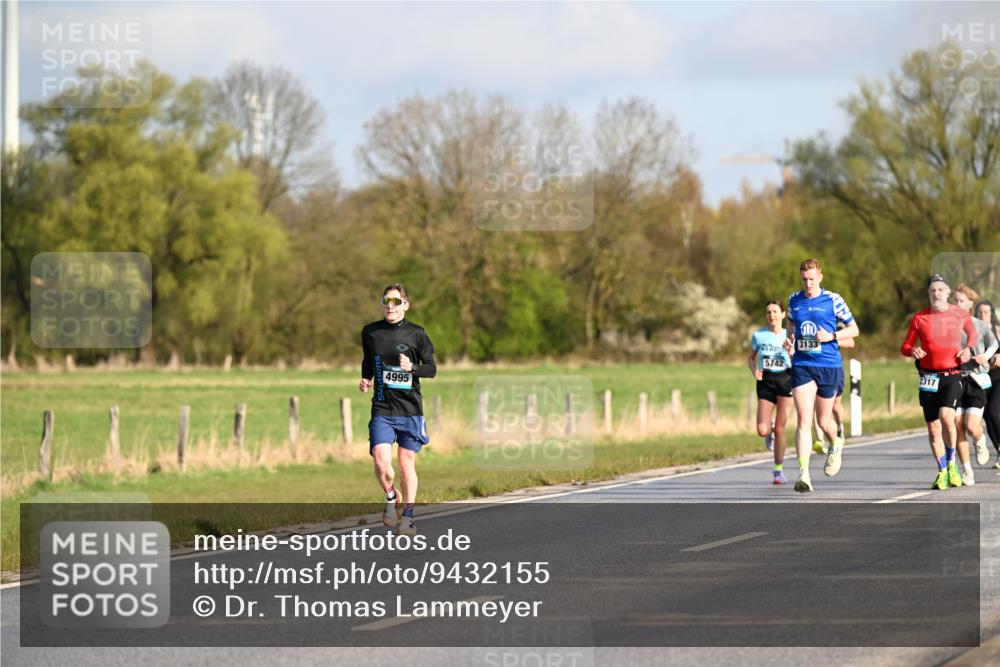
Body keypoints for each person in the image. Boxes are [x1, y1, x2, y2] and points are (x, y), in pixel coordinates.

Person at [359, 284, 437, 536]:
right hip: (382, 407)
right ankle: (392, 497)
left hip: (410, 410)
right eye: (386, 301)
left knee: (405, 463)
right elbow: (368, 360)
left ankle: (409, 518)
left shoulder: (417, 334)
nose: (390, 306)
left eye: (395, 301)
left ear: (405, 304)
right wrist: (366, 378)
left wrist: (412, 367)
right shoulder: (371, 332)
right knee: (382, 465)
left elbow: (432, 369)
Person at [784, 259, 860, 492]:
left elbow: (854, 329)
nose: (808, 283)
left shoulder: (833, 300)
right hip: (802, 365)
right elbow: (791, 331)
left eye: (812, 279)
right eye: (804, 279)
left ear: (820, 277)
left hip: (828, 365)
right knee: (804, 421)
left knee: (823, 422)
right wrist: (790, 344)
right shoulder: (793, 300)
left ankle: (835, 443)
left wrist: (832, 336)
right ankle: (804, 475)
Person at [899, 275, 976, 490]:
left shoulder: (959, 314)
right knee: (933, 428)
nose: (937, 293)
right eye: (933, 290)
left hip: (951, 374)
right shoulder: (920, 318)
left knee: (946, 417)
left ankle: (952, 464)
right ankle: (942, 470)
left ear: (948, 292)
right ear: (928, 293)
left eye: (941, 290)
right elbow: (904, 346)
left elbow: (973, 335)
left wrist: (968, 349)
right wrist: (912, 350)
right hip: (927, 377)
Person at [953, 285, 998, 480]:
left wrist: (985, 356)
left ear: (970, 304)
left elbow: (994, 344)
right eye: (955, 300)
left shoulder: (980, 325)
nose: (957, 304)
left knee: (971, 426)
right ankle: (967, 471)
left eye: (961, 301)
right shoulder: (946, 325)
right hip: (955, 380)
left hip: (976, 380)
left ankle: (979, 440)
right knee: (958, 426)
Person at [748, 301, 794, 484]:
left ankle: (778, 471)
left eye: (775, 311)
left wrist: (792, 353)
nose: (772, 315)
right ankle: (770, 431)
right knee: (762, 429)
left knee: (781, 428)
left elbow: (799, 356)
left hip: (786, 379)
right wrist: (754, 370)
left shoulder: (789, 334)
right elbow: (750, 358)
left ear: (783, 314)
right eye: (768, 312)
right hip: (766, 381)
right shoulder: (759, 335)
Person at [813, 321, 853, 455]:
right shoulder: (810, 319)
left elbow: (851, 342)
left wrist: (830, 338)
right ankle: (819, 439)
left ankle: (839, 427)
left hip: (833, 367)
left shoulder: (837, 322)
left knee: (835, 405)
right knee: (814, 404)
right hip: (813, 366)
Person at [974, 299, 1000, 470]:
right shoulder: (970, 332)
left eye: (986, 312)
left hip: (998, 376)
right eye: (980, 312)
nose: (983, 315)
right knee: (986, 417)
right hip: (981, 378)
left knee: (993, 411)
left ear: (992, 315)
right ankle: (999, 450)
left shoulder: (997, 330)